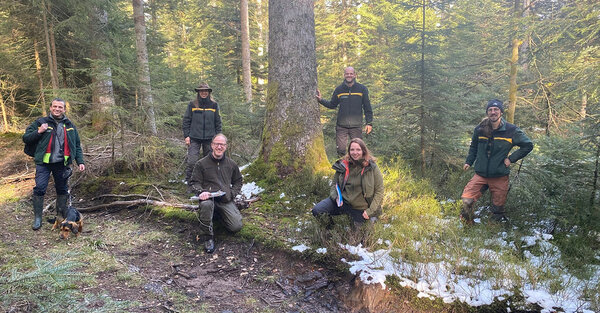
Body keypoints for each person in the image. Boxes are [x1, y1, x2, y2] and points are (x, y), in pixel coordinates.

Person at [461, 99, 533, 223]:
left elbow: (528, 145)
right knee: (466, 200)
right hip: (481, 175)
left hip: (500, 176)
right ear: (487, 112)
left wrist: (511, 159)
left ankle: (493, 233)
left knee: (498, 209)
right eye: (490, 110)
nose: (493, 112)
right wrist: (469, 161)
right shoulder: (480, 129)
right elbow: (474, 147)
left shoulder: (511, 130)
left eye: (496, 110)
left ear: (501, 112)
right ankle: (468, 228)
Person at [22, 98, 85, 230]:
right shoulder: (41, 122)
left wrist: (80, 162)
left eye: (60, 107)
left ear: (64, 109)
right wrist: (39, 131)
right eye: (55, 107)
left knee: (62, 190)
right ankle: (37, 219)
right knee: (40, 188)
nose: (57, 109)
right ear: (50, 108)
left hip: (62, 164)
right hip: (43, 163)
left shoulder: (70, 126)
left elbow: (77, 146)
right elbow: (26, 138)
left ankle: (59, 218)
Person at [189, 134, 243, 253]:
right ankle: (207, 236)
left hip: (225, 200)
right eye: (217, 144)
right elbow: (194, 182)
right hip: (208, 199)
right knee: (207, 205)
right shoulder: (201, 164)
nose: (219, 147)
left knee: (236, 227)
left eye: (222, 144)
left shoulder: (231, 164)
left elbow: (238, 181)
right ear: (212, 145)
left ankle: (217, 215)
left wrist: (232, 193)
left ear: (226, 146)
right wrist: (201, 192)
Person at [312, 138, 384, 225]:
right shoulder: (343, 165)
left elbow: (379, 191)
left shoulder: (371, 167)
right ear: (349, 151)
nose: (355, 152)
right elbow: (334, 184)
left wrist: (370, 211)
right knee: (317, 210)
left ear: (363, 151)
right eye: (352, 149)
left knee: (358, 235)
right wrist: (336, 197)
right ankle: (330, 229)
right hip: (343, 202)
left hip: (360, 208)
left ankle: (369, 220)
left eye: (358, 149)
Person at [316, 67, 373, 156]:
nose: (349, 75)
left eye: (351, 74)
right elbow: (332, 104)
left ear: (355, 75)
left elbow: (367, 107)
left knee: (358, 150)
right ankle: (343, 169)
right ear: (344, 75)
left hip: (356, 126)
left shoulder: (362, 89)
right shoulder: (339, 90)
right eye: (347, 74)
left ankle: (357, 168)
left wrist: (369, 123)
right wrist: (320, 100)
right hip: (341, 126)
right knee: (341, 151)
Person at [182, 82, 222, 187]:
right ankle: (190, 184)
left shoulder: (214, 105)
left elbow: (218, 122)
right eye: (201, 91)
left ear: (209, 92)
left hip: (210, 139)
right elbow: (186, 121)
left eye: (205, 91)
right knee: (192, 161)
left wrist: (217, 138)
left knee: (209, 162)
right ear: (198, 92)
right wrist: (187, 136)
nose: (203, 93)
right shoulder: (192, 104)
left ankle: (208, 183)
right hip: (194, 138)